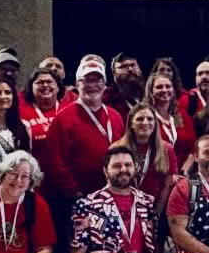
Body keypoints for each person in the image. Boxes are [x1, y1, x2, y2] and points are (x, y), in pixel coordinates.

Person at [42, 55, 125, 205]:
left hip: (111, 194)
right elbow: (55, 162)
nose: (93, 85)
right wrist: (74, 193)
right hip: (77, 198)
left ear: (105, 84)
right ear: (77, 84)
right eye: (87, 80)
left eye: (97, 80)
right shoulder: (63, 118)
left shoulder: (115, 116)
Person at [114, 103, 177, 206]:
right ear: (131, 124)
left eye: (150, 119)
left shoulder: (166, 149)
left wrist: (156, 211)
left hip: (153, 207)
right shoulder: (117, 149)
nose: (145, 122)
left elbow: (166, 185)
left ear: (155, 123)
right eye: (140, 119)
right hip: (123, 206)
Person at [145, 71, 195, 167]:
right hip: (158, 170)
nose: (164, 90)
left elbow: (194, 147)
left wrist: (186, 167)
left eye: (168, 86)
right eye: (159, 87)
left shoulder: (182, 115)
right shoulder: (146, 118)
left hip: (185, 171)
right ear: (150, 91)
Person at [19, 68, 64, 147]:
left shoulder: (67, 109)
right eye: (40, 82)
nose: (45, 85)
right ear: (31, 88)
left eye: (49, 82)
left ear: (58, 87)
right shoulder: (21, 112)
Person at [103, 53, 145, 119]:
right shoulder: (107, 98)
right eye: (123, 66)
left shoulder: (150, 93)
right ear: (114, 73)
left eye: (133, 65)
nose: (130, 69)